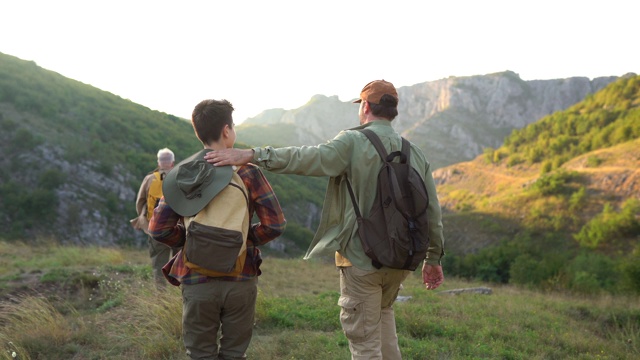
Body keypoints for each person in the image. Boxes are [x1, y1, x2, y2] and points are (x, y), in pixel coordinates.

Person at [206, 80, 445, 360]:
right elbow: (433, 213)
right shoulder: (414, 152)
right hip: (402, 259)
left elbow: (309, 158)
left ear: (365, 107)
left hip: (361, 257)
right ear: (393, 111)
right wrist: (433, 258)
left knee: (365, 344)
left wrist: (253, 155)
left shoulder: (354, 141)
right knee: (383, 320)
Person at [148, 99, 286, 360]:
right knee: (234, 354)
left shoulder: (182, 174)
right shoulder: (248, 173)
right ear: (226, 130)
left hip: (196, 278)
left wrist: (191, 241)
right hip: (241, 276)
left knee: (200, 354)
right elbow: (275, 224)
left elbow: (159, 229)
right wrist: (242, 241)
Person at [132, 147, 177, 286]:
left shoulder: (150, 178)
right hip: (178, 227)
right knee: (180, 262)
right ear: (172, 163)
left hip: (156, 226)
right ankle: (180, 295)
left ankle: (161, 297)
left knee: (159, 264)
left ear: (159, 163)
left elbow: (140, 202)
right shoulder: (180, 176)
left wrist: (142, 220)